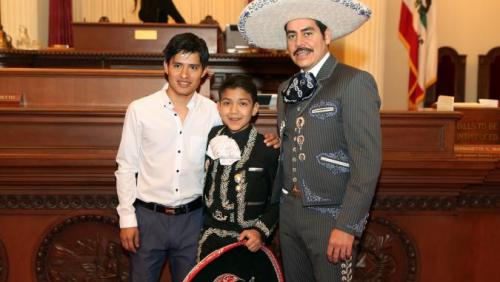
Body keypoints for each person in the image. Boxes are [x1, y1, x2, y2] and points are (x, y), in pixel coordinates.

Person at [115, 32, 278, 282]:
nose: (184, 74)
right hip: (148, 217)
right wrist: (127, 218)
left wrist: (270, 140)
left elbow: (242, 130)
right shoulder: (140, 110)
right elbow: (126, 166)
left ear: (204, 72)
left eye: (193, 67)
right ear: (165, 66)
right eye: (178, 65)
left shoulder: (214, 112)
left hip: (194, 220)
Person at [238, 0, 382, 281]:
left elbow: (367, 163)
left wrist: (348, 226)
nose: (299, 42)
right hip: (289, 215)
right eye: (292, 35)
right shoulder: (285, 90)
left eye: (307, 33)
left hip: (331, 217)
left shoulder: (354, 82)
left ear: (326, 37)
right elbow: (297, 142)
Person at [197, 75, 280, 261]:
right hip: (210, 239)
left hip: (248, 240)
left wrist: (260, 231)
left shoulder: (267, 148)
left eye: (242, 104)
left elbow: (279, 199)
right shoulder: (212, 136)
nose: (234, 111)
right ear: (218, 107)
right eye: (227, 103)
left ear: (255, 109)